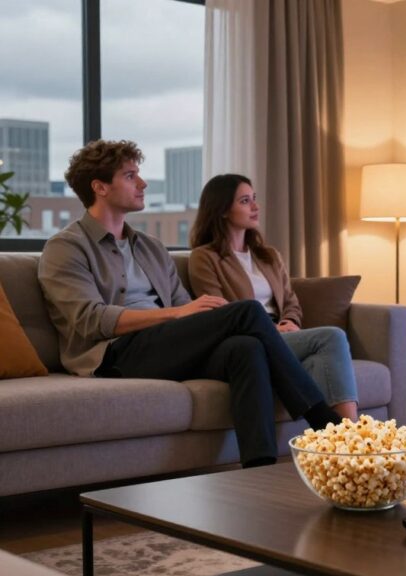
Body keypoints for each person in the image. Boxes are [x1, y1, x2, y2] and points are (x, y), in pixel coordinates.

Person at [37, 140, 341, 469]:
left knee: (246, 347)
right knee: (248, 310)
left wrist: (196, 315)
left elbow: (185, 304)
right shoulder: (66, 248)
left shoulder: (150, 247)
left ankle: (259, 467)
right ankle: (327, 426)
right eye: (130, 176)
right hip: (114, 354)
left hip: (168, 345)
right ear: (100, 187)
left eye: (138, 174)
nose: (142, 183)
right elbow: (90, 319)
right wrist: (178, 314)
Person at [188, 174, 359, 421]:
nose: (255, 207)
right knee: (332, 337)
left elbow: (291, 301)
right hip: (252, 338)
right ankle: (350, 437)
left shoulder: (268, 256)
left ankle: (331, 445)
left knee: (317, 364)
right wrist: (269, 329)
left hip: (284, 333)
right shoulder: (204, 257)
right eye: (245, 201)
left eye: (254, 199)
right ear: (223, 210)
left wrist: (292, 323)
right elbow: (219, 313)